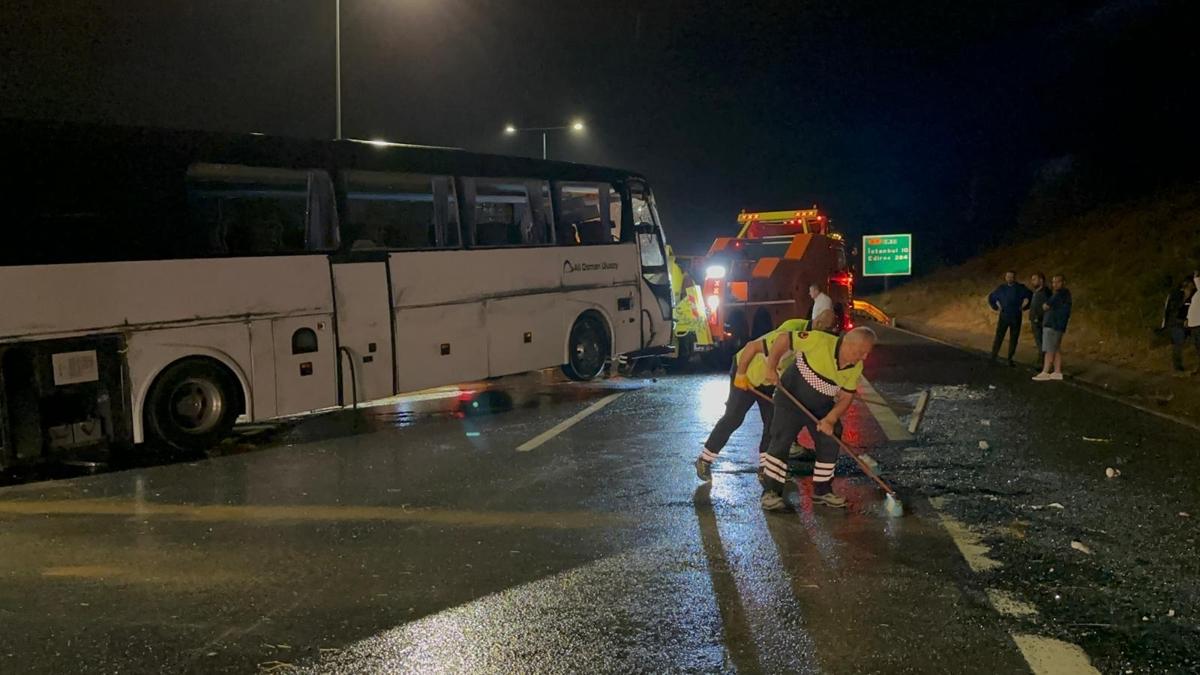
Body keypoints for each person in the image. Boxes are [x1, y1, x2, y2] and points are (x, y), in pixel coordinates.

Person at [759, 326, 877, 511]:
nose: (863, 358)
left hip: (821, 405)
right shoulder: (819, 341)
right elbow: (783, 339)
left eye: (866, 353)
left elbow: (846, 397)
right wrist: (771, 367)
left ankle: (822, 491)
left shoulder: (856, 366)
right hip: (791, 398)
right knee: (781, 441)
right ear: (847, 342)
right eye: (861, 352)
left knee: (832, 435)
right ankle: (770, 493)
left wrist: (830, 418)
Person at [694, 318, 811, 481]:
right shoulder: (786, 336)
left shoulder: (811, 348)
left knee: (772, 422)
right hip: (747, 371)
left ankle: (765, 468)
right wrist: (740, 374)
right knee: (733, 418)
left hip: (768, 380)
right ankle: (704, 459)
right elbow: (751, 347)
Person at [987, 271, 1032, 366]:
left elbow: (1030, 296)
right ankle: (993, 356)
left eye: (1011, 277)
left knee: (1014, 339)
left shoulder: (1020, 288)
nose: (1009, 278)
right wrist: (996, 307)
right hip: (1004, 316)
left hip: (1016, 316)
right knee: (999, 336)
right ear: (1005, 277)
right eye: (1008, 276)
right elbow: (991, 297)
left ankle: (1010, 358)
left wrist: (1024, 307)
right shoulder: (1001, 288)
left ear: (1014, 278)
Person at [1033, 274, 1072, 381]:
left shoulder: (1060, 294)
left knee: (1049, 349)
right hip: (1058, 325)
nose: (1054, 284)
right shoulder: (1065, 294)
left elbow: (1046, 305)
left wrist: (1045, 306)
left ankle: (1045, 371)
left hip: (1053, 325)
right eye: (1053, 282)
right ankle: (1057, 371)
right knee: (1056, 349)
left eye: (1057, 282)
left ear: (1063, 282)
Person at [1162, 275, 1195, 376]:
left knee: (1184, 343)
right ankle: (1178, 368)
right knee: (1177, 344)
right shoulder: (1176, 295)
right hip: (1177, 323)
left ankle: (1179, 367)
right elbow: (1172, 311)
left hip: (1185, 322)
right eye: (1191, 285)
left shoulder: (1190, 295)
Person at [1028, 272, 1050, 365]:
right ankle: (1043, 362)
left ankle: (1042, 363)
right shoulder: (1037, 292)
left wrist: (1038, 317)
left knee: (1042, 343)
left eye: (1034, 279)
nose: (1032, 281)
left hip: (1040, 322)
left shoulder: (1045, 293)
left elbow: (1046, 308)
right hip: (1035, 321)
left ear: (1041, 280)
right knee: (1040, 343)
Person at [1189, 270, 1200, 376]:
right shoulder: (1197, 293)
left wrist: (1196, 276)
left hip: (1198, 324)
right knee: (1197, 347)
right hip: (1193, 324)